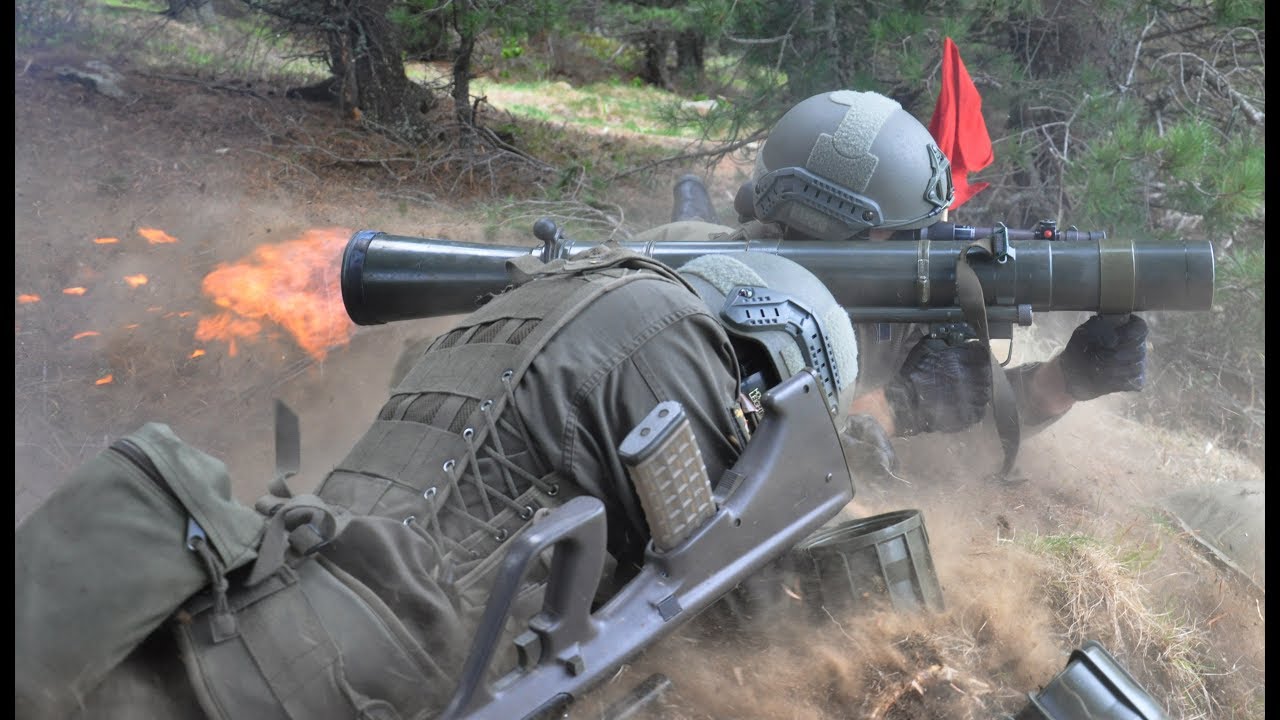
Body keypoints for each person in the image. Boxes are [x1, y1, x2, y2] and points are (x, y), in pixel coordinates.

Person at [17, 241, 861, 719]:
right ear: (769, 360)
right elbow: (743, 597)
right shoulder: (675, 340)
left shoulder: (541, 302)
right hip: (353, 670)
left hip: (263, 604)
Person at [638, 89, 1148, 471]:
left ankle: (692, 191)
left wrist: (1065, 381)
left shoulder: (902, 303)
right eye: (901, 230)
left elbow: (966, 436)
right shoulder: (710, 301)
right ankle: (691, 195)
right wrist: (894, 407)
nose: (923, 242)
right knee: (688, 223)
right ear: (834, 227)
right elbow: (752, 455)